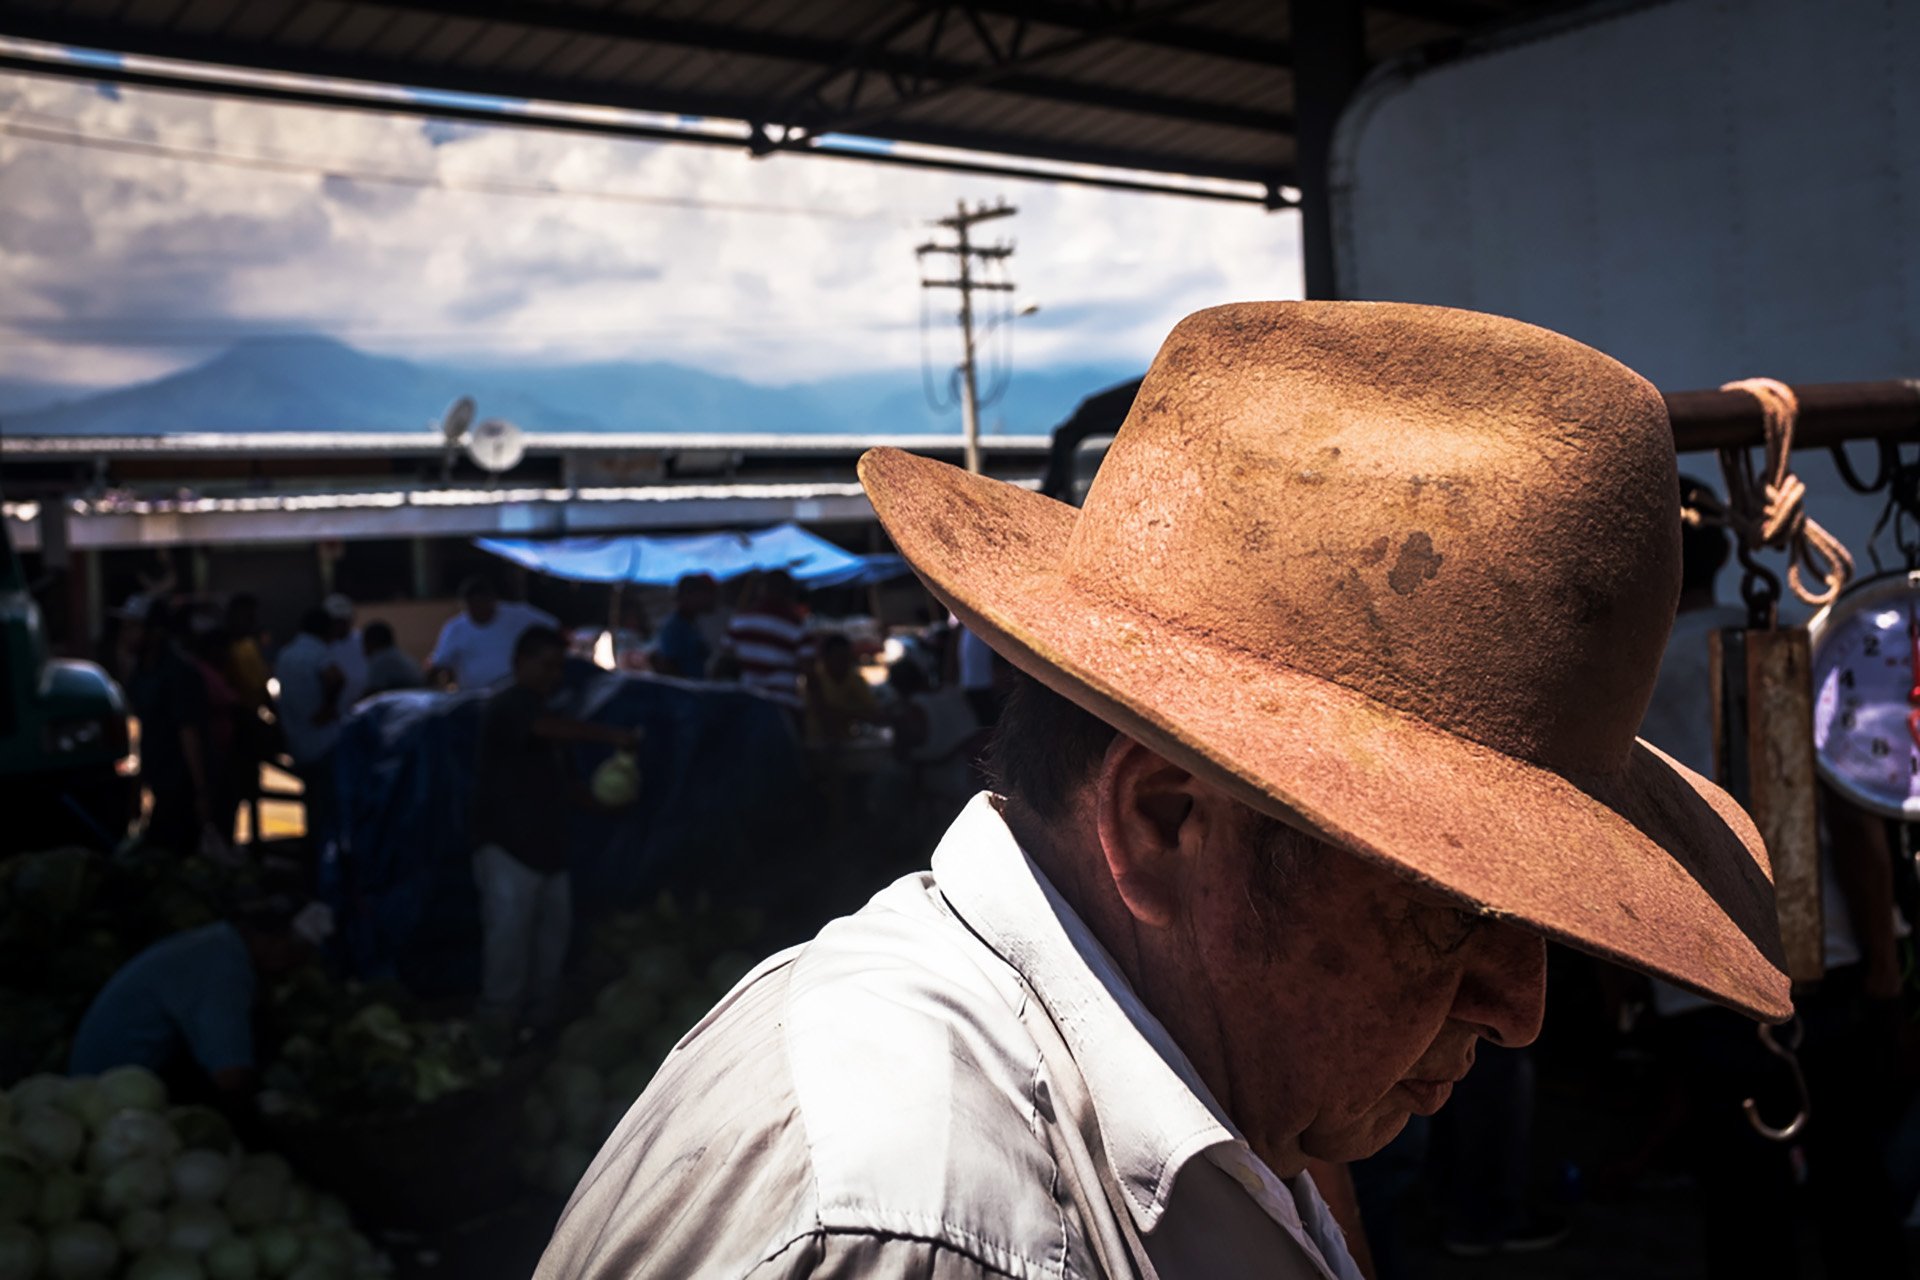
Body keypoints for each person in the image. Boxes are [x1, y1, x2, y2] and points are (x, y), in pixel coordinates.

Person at [536, 303, 1792, 1278]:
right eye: (1457, 906)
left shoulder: (1185, 1081)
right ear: (1163, 818)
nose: (1522, 1002)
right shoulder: (927, 1225)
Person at [1638, 476, 1908, 1279]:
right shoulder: (1786, 646)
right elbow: (1855, 825)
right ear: (1725, 555)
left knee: (1741, 1207)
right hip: (1828, 967)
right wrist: (1888, 980)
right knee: (1859, 1192)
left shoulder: (1626, 680)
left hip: (1701, 982)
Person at [471, 626, 639, 1037]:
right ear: (518, 664)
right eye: (544, 665)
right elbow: (545, 729)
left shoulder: (549, 718)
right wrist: (612, 736)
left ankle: (536, 1030)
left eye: (558, 667)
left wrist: (603, 804)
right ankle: (496, 1036)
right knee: (508, 949)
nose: (553, 675)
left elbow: (566, 786)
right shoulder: (509, 705)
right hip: (508, 851)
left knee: (550, 947)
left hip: (550, 853)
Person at [68, 900, 328, 1094]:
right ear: (275, 943)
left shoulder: (217, 941)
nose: (293, 967)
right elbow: (231, 1077)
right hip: (105, 1089)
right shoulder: (224, 971)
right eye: (296, 955)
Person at [120, 598, 218, 858]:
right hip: (161, 783)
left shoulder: (178, 672)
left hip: (182, 787)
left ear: (155, 633)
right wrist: (138, 788)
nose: (126, 635)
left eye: (133, 627)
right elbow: (142, 732)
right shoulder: (140, 673)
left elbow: (189, 734)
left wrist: (201, 793)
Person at [274, 608, 347, 847]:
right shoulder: (319, 652)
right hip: (326, 741)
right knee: (331, 808)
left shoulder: (286, 654)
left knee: (313, 807)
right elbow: (336, 678)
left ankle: (315, 858)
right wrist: (328, 707)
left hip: (298, 741)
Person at [427, 576, 558, 691]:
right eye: (473, 606)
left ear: (493, 600)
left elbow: (554, 625)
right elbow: (440, 663)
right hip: (474, 697)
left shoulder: (518, 615)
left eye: (482, 603)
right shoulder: (455, 628)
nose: (478, 610)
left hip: (513, 694)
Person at [803, 633, 886, 744]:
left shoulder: (855, 679)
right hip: (816, 742)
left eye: (846, 658)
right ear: (826, 658)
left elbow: (874, 712)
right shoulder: (815, 679)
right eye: (837, 658)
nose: (843, 663)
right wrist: (854, 714)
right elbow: (823, 713)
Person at [654, 573, 717, 678]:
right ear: (687, 596)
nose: (705, 598)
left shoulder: (692, 624)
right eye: (699, 594)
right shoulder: (673, 627)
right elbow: (668, 666)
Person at [322, 593, 367, 708]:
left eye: (342, 621)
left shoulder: (364, 640)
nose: (339, 626)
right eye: (336, 621)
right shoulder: (322, 646)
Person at [360, 620, 423, 696]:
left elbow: (372, 693)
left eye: (365, 643)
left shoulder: (381, 660)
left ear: (372, 642)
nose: (363, 648)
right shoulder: (395, 654)